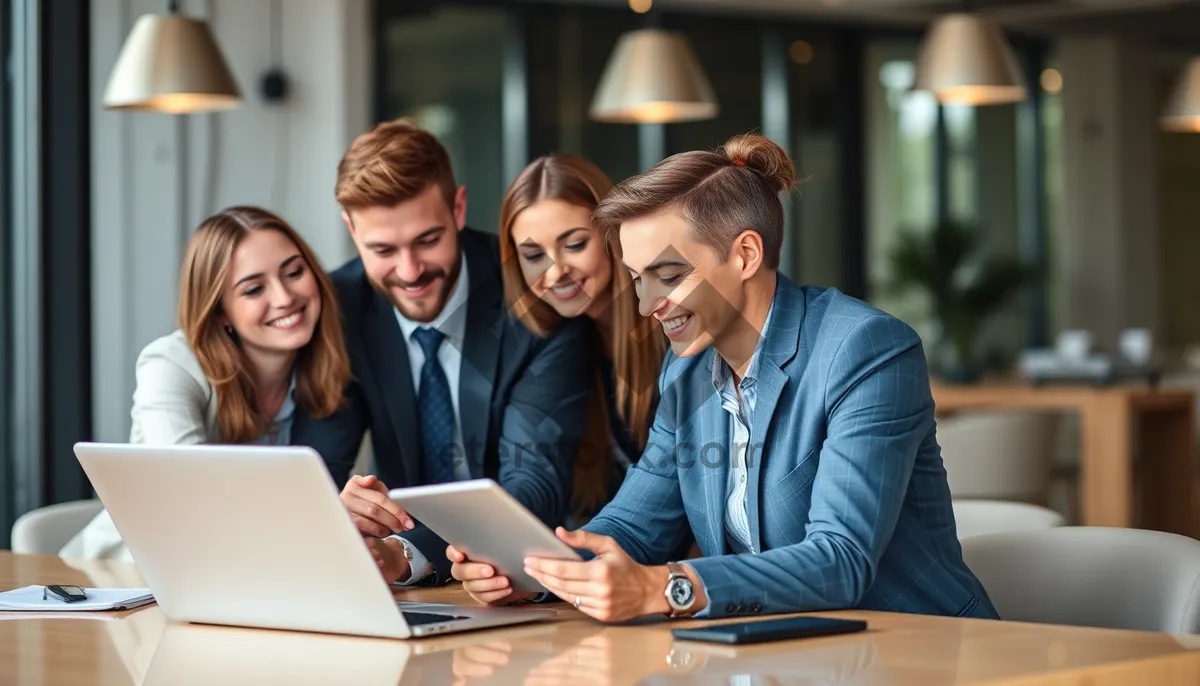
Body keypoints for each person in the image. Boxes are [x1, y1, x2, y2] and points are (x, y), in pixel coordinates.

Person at [449, 133, 1000, 622]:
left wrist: (668, 587)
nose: (646, 305)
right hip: (784, 657)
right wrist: (531, 571)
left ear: (744, 254)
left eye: (667, 275)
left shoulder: (864, 349)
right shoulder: (687, 369)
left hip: (922, 653)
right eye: (638, 279)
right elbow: (636, 528)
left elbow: (842, 560)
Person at [291, 119, 594, 587]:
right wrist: (339, 506)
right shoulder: (338, 309)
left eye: (427, 240)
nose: (410, 271)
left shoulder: (534, 295)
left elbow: (535, 483)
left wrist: (404, 552)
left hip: (531, 583)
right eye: (383, 249)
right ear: (351, 230)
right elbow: (312, 472)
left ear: (458, 208)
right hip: (402, 591)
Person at [61, 206, 352, 562]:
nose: (284, 297)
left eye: (294, 272)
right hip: (124, 578)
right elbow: (189, 498)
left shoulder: (325, 367)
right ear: (220, 311)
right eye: (254, 289)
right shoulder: (171, 365)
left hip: (248, 574)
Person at [498, 153, 666, 526]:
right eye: (533, 254)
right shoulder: (558, 345)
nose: (556, 272)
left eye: (574, 245)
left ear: (612, 233)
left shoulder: (670, 324)